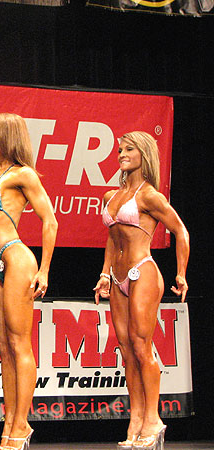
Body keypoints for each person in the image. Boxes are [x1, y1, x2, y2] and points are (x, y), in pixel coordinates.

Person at [94, 131, 189, 450]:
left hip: (142, 271)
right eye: (120, 149)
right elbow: (112, 238)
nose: (121, 154)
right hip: (117, 277)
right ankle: (135, 418)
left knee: (141, 345)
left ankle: (153, 419)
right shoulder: (111, 196)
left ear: (143, 154)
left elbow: (180, 231)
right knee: (125, 348)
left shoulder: (150, 196)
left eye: (129, 149)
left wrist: (181, 273)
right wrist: (104, 273)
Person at [0, 113, 58, 450]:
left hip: (17, 259)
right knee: (3, 348)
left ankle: (22, 424)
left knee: (20, 344)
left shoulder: (24, 174)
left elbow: (50, 221)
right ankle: (9, 424)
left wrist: (44, 270)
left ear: (9, 136)